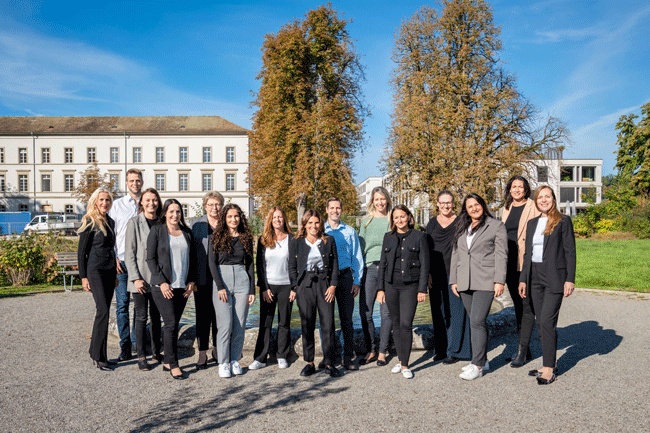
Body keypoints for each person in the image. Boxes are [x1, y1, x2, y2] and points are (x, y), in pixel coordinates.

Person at [519, 186, 576, 385]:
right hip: (534, 277)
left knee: (546, 321)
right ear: (536, 201)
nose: (544, 200)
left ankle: (550, 369)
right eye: (540, 197)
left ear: (553, 199)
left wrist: (570, 279)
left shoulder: (563, 221)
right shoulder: (533, 222)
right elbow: (527, 254)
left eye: (547, 196)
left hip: (554, 277)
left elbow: (570, 252)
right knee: (540, 322)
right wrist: (523, 279)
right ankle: (546, 363)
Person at [450, 193, 507, 381]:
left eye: (477, 204)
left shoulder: (496, 226)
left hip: (485, 280)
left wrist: (499, 280)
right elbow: (456, 254)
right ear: (465, 209)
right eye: (469, 206)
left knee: (477, 321)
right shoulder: (462, 227)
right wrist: (454, 279)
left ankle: (479, 365)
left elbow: (501, 255)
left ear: (483, 205)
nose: (474, 208)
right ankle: (481, 358)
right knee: (475, 321)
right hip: (465, 281)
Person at [377, 205, 429, 379]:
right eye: (396, 217)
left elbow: (424, 265)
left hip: (410, 286)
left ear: (408, 217)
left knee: (406, 324)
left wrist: (422, 289)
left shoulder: (419, 236)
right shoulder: (388, 237)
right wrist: (380, 289)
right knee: (396, 324)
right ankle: (401, 361)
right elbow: (382, 265)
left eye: (402, 216)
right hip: (391, 286)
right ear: (393, 220)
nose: (399, 220)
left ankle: (405, 365)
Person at [146, 199, 196, 380]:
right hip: (163, 287)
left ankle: (167, 360)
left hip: (182, 286)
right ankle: (174, 364)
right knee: (171, 324)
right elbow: (150, 259)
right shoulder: (157, 231)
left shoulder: (187, 233)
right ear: (165, 213)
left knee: (173, 324)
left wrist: (191, 281)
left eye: (178, 211)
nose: (175, 215)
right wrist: (162, 281)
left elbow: (193, 259)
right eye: (171, 211)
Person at [288, 209, 342, 378]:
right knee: (307, 323)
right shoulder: (296, 241)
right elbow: (291, 266)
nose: (313, 226)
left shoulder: (328, 240)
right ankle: (309, 362)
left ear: (321, 224)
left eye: (316, 222)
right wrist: (295, 287)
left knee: (328, 324)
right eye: (310, 223)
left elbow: (334, 264)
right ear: (304, 224)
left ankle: (329, 362)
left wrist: (333, 285)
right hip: (305, 285)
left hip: (324, 284)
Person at [208, 203, 256, 378]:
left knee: (240, 323)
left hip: (242, 280)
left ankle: (235, 359)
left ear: (240, 217)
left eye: (236, 216)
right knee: (225, 324)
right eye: (229, 217)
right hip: (222, 279)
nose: (233, 219)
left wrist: (252, 290)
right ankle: (223, 362)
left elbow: (250, 264)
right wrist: (220, 286)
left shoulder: (245, 237)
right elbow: (212, 263)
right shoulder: (217, 237)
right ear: (224, 219)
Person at [425, 190, 471, 365]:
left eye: (449, 202)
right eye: (442, 202)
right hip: (435, 274)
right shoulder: (431, 224)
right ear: (437, 203)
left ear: (453, 203)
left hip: (454, 273)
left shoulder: (461, 222)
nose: (446, 205)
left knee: (455, 312)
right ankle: (441, 349)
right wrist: (427, 273)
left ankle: (455, 350)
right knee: (438, 313)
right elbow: (427, 250)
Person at [501, 175, 540, 367]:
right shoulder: (506, 208)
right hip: (508, 262)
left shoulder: (533, 206)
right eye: (514, 186)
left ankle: (522, 352)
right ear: (509, 189)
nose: (517, 190)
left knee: (525, 306)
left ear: (526, 189)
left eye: (520, 186)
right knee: (517, 305)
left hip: (525, 262)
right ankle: (525, 348)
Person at [249, 206, 294, 371]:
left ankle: (282, 355)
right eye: (274, 217)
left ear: (284, 219)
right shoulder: (263, 239)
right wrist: (264, 287)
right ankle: (260, 358)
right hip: (269, 287)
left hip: (286, 286)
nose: (277, 220)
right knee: (265, 323)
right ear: (270, 220)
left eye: (280, 217)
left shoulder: (292, 239)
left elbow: (294, 265)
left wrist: (294, 287)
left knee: (284, 322)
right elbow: (260, 266)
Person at [78, 187, 117, 371]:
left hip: (109, 272)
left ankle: (100, 354)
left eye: (107, 200)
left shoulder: (110, 221)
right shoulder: (89, 221)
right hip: (95, 271)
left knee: (105, 311)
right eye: (101, 200)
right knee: (102, 310)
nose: (104, 203)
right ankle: (97, 356)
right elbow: (82, 252)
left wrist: (116, 274)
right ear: (95, 201)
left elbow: (112, 248)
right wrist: (83, 277)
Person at [124, 188, 163, 371]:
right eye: (147, 200)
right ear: (141, 202)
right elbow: (129, 254)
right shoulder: (134, 223)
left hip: (158, 278)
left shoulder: (162, 222)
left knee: (156, 317)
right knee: (141, 317)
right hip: (140, 278)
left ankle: (156, 352)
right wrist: (135, 278)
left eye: (154, 200)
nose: (151, 203)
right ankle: (141, 356)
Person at [324, 197, 364, 371]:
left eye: (338, 208)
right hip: (326, 280)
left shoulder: (349, 231)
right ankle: (329, 357)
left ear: (341, 210)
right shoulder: (320, 230)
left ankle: (348, 357)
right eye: (332, 207)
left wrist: (357, 280)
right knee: (327, 320)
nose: (335, 211)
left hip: (346, 277)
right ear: (326, 209)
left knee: (347, 320)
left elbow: (357, 256)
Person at [108, 168, 143, 361]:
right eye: (131, 180)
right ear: (126, 183)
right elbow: (110, 234)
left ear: (142, 182)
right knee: (122, 305)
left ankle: (138, 343)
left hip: (140, 264)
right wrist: (113, 258)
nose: (135, 183)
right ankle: (125, 346)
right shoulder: (117, 205)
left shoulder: (147, 203)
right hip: (121, 262)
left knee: (139, 306)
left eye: (138, 180)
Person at [358, 186, 393, 367]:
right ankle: (371, 349)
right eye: (376, 199)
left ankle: (382, 351)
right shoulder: (365, 222)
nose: (380, 202)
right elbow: (360, 250)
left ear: (387, 199)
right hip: (369, 269)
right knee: (366, 312)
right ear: (372, 201)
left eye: (382, 199)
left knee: (386, 313)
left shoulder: (392, 220)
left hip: (388, 270)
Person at [191, 191, 223, 369]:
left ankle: (217, 349)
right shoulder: (196, 225)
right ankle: (202, 353)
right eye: (211, 204)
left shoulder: (225, 224)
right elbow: (192, 254)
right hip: (201, 277)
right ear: (205, 206)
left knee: (219, 315)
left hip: (221, 277)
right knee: (202, 316)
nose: (214, 208)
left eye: (217, 204)